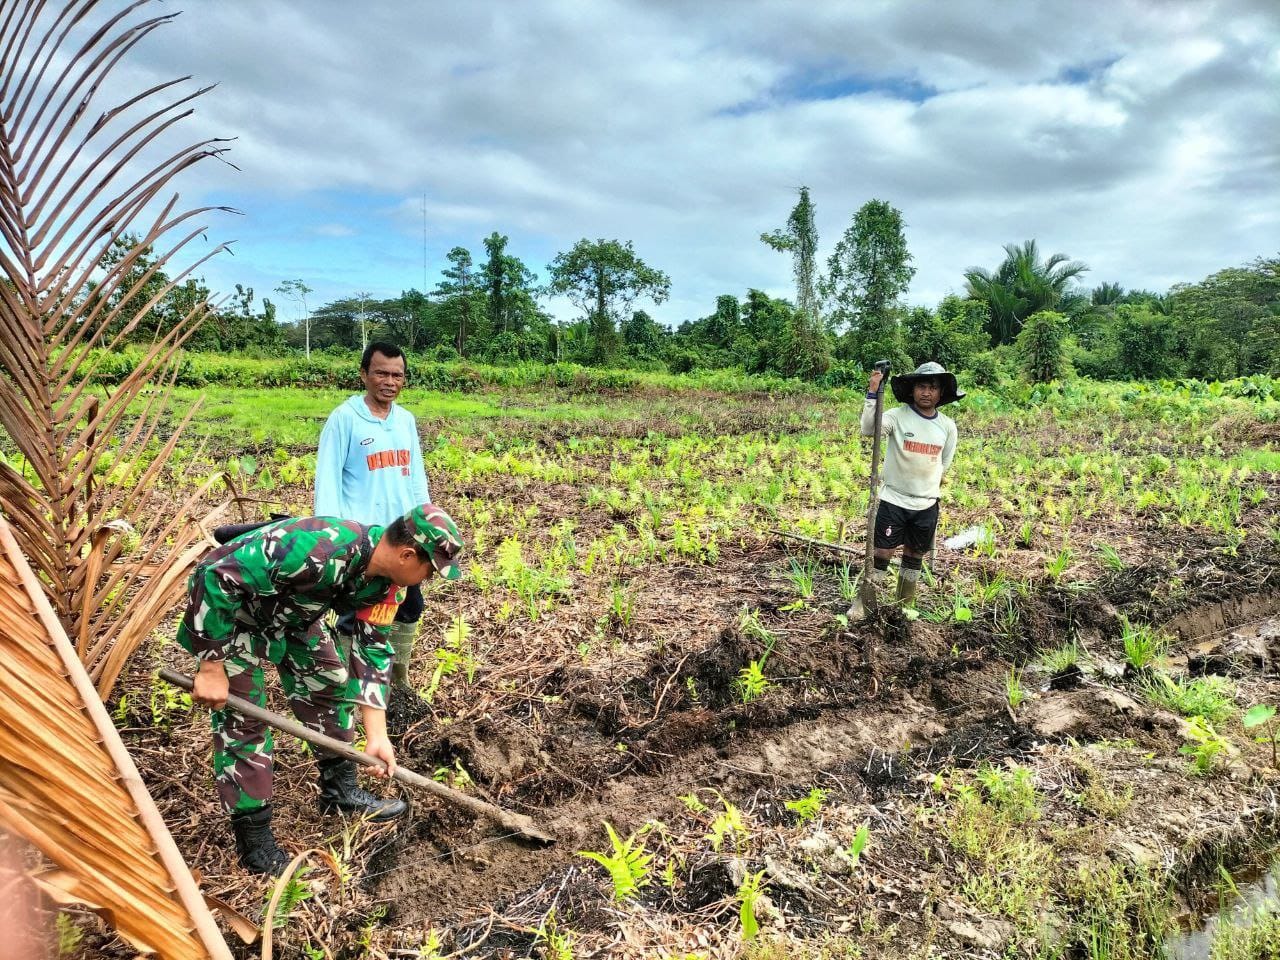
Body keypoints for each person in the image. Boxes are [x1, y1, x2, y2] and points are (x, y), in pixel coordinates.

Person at [177, 504, 463, 875]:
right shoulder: (317, 548)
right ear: (407, 555)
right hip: (232, 619)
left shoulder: (389, 587)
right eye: (430, 570)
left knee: (329, 687)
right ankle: (256, 842)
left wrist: (377, 736)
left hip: (294, 616)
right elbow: (214, 577)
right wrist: (212, 664)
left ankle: (340, 791)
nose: (426, 579)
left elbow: (373, 651)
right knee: (244, 718)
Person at [315, 342, 431, 693]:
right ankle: (348, 686)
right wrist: (332, 537)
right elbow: (328, 480)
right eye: (381, 372)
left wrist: (426, 528)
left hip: (404, 540)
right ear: (364, 374)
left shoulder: (405, 421)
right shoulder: (345, 419)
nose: (389, 381)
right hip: (363, 540)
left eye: (397, 375)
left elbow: (415, 479)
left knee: (409, 606)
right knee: (354, 614)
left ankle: (397, 683)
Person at [850, 361, 963, 619]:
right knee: (882, 552)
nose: (926, 392)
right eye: (921, 386)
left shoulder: (947, 426)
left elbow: (943, 463)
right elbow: (869, 429)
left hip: (926, 503)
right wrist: (872, 393)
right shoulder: (896, 416)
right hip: (894, 499)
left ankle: (903, 607)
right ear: (912, 390)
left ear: (940, 392)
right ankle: (863, 604)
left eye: (932, 388)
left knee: (914, 556)